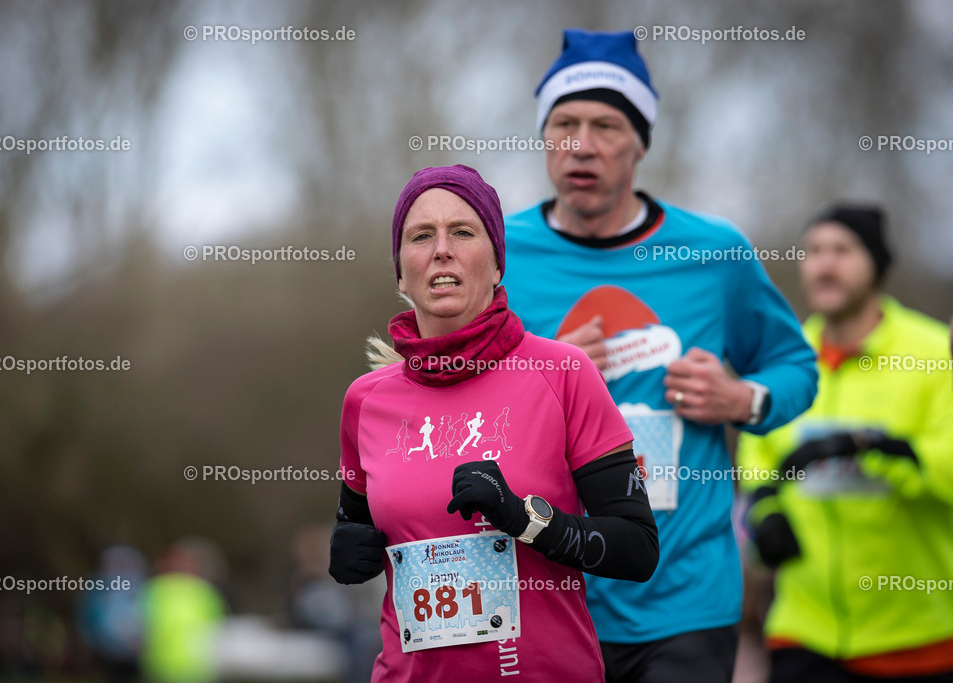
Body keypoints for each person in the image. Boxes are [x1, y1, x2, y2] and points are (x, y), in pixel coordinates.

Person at [500, 29, 819, 683]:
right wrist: (538, 371)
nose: (581, 144)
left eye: (606, 126)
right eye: (564, 123)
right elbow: (447, 396)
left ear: (640, 143)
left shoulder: (715, 253)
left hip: (684, 599)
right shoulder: (498, 253)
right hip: (546, 592)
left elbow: (797, 367)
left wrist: (743, 398)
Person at [328, 164, 659, 682]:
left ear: (498, 262)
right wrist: (349, 551)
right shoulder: (366, 401)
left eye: (463, 231)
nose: (442, 249)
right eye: (421, 236)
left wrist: (526, 519)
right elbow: (356, 526)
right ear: (400, 272)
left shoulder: (563, 373)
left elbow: (637, 548)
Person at [736, 204, 953, 682]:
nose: (824, 264)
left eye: (842, 251)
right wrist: (765, 513)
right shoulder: (785, 358)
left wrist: (878, 452)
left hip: (917, 638)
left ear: (875, 264)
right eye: (813, 251)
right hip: (802, 632)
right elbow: (757, 458)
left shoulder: (935, 353)